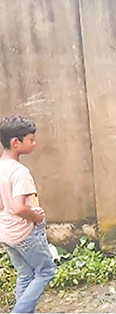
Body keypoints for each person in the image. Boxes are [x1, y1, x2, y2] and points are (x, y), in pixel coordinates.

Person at [0, 115, 56, 313]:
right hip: (25, 234)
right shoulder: (19, 172)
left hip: (6, 234)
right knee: (46, 271)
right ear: (16, 142)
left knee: (25, 274)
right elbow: (19, 208)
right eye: (31, 139)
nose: (34, 143)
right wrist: (37, 216)